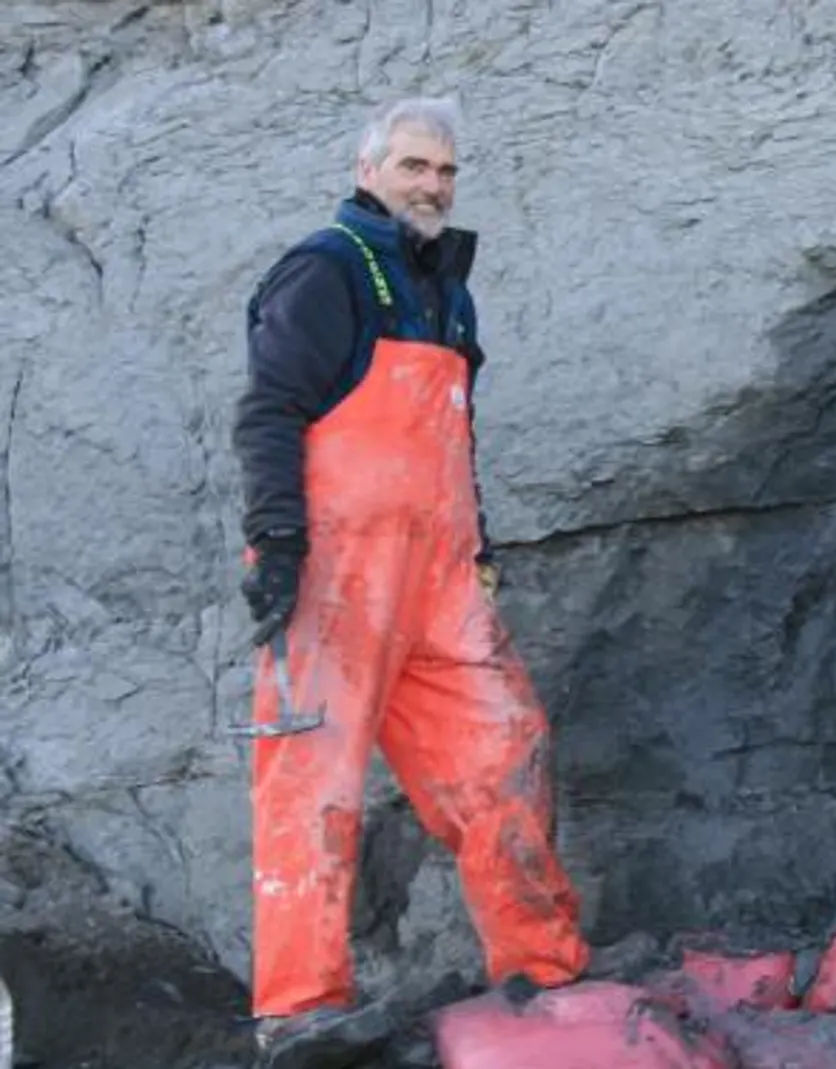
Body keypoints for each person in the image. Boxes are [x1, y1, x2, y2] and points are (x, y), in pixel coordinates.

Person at [231, 96, 590, 1067]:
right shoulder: (326, 269)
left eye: (445, 171)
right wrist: (277, 540)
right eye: (414, 167)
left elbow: (453, 430)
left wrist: (482, 546)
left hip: (441, 577)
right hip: (330, 575)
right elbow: (268, 410)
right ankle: (301, 1010)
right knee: (312, 786)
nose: (432, 184)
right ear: (368, 169)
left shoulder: (448, 290)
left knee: (506, 755)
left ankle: (544, 975)